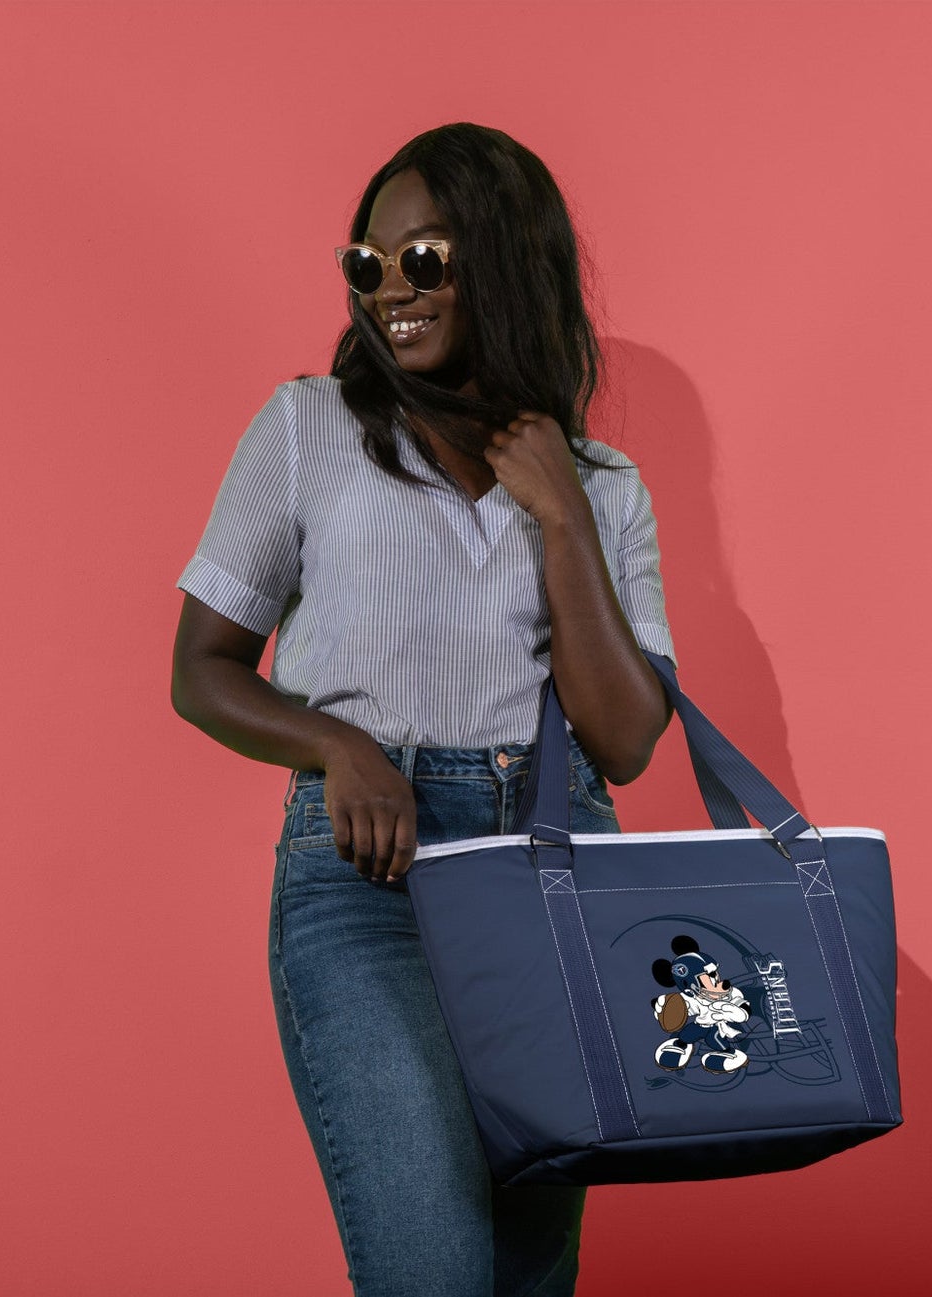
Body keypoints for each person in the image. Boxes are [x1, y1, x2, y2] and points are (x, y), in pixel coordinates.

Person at [169, 123, 680, 1297]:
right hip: (369, 882)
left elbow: (624, 740)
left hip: (554, 881)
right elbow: (202, 667)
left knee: (524, 1275)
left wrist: (560, 515)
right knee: (431, 1269)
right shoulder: (307, 429)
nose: (389, 289)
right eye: (368, 263)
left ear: (502, 258)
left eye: (422, 258)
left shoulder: (603, 488)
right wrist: (336, 744)